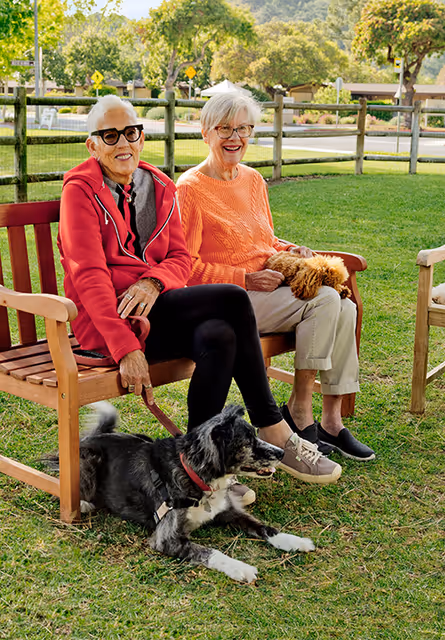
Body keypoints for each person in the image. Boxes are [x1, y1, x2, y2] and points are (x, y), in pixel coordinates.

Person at [58, 94, 342, 489]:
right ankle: (273, 427)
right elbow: (88, 276)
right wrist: (126, 348)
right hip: (111, 326)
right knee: (232, 297)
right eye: (110, 135)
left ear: (141, 138)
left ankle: (197, 466)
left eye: (130, 132)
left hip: (159, 308)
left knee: (220, 335)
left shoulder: (158, 185)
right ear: (93, 144)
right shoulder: (80, 192)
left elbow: (178, 258)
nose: (122, 143)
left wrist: (153, 280)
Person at [176, 91, 375, 462]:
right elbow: (183, 266)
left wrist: (290, 250)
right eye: (225, 129)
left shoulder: (252, 180)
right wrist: (243, 279)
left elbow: (262, 240)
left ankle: (331, 420)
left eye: (244, 129)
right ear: (205, 133)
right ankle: (300, 412)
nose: (235, 137)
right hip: (230, 301)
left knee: (344, 306)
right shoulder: (189, 189)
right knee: (328, 299)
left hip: (271, 290)